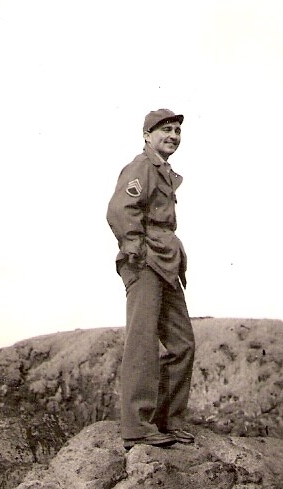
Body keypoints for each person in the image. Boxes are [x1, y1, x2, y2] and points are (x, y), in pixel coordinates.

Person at [107, 109, 195, 450]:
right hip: (145, 261)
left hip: (166, 261)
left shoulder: (164, 171)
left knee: (182, 342)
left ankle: (168, 419)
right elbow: (119, 210)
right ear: (147, 135)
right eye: (165, 130)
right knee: (142, 341)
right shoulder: (141, 167)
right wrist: (135, 248)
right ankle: (136, 427)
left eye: (176, 130)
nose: (173, 135)